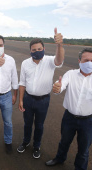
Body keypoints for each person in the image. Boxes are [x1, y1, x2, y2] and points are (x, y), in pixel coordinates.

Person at [46, 48, 92, 170]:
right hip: (69, 118)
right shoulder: (70, 74)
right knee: (64, 141)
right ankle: (59, 159)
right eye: (86, 60)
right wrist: (57, 87)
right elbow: (61, 86)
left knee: (83, 150)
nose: (89, 63)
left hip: (88, 121)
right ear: (79, 61)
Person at [17, 28, 65, 158]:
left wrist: (59, 45)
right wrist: (21, 100)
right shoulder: (25, 63)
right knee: (27, 123)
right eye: (34, 50)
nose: (37, 51)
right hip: (28, 98)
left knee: (39, 125)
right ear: (30, 51)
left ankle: (36, 146)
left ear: (43, 48)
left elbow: (59, 60)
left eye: (39, 49)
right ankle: (26, 142)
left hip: (43, 100)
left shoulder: (50, 61)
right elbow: (22, 83)